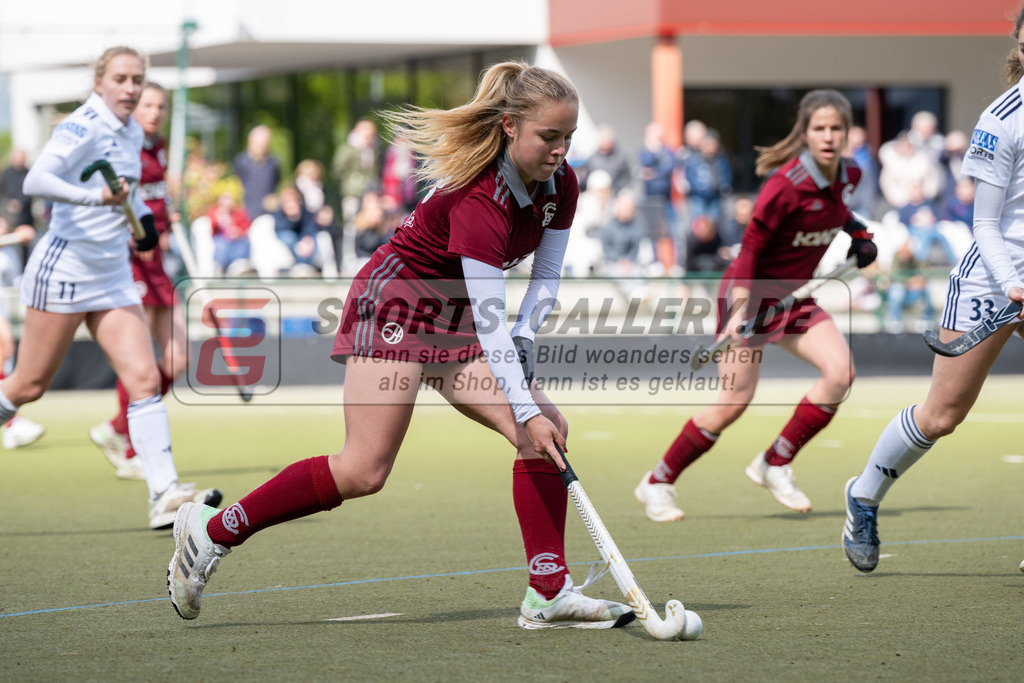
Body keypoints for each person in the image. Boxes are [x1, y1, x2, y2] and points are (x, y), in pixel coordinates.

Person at [166, 60, 634, 629]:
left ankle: (548, 593)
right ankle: (211, 531)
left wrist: (527, 337)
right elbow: (490, 322)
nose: (561, 150)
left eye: (568, 137)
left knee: (545, 435)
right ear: (509, 126)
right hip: (395, 304)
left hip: (454, 312)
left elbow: (547, 275)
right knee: (365, 469)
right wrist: (524, 400)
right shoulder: (480, 200)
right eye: (549, 137)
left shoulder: (562, 183)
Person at [633, 89, 877, 522]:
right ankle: (657, 481)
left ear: (846, 134)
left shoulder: (851, 173)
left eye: (835, 128)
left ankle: (775, 461)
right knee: (733, 402)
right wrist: (739, 314)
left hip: (797, 298)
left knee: (841, 374)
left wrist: (858, 235)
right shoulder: (784, 185)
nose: (827, 136)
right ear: (804, 133)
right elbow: (749, 251)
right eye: (819, 128)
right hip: (748, 296)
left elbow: (836, 210)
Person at [5, 46, 220, 528]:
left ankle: (163, 493)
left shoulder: (130, 132)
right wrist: (97, 197)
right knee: (28, 385)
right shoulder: (84, 124)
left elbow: (132, 194)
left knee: (144, 379)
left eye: (136, 80)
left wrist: (140, 220)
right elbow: (38, 180)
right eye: (120, 79)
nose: (129, 88)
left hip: (112, 272)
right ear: (100, 82)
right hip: (65, 267)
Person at [843, 7, 1024, 575]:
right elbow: (986, 225)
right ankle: (864, 496)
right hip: (992, 277)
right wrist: (1015, 285)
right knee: (943, 414)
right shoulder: (1003, 119)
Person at [88, 81, 189, 481]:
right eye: (148, 104)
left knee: (178, 360)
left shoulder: (159, 146)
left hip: (157, 259)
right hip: (128, 261)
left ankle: (115, 428)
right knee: (139, 361)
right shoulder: (120, 145)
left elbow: (153, 198)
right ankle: (132, 447)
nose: (154, 111)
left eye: (160, 106)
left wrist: (165, 217)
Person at [233, 124, 280, 221]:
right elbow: (237, 184)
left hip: (267, 214)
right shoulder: (241, 161)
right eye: (259, 142)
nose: (262, 145)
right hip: (245, 214)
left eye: (265, 142)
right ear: (250, 141)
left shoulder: (273, 162)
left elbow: (276, 184)